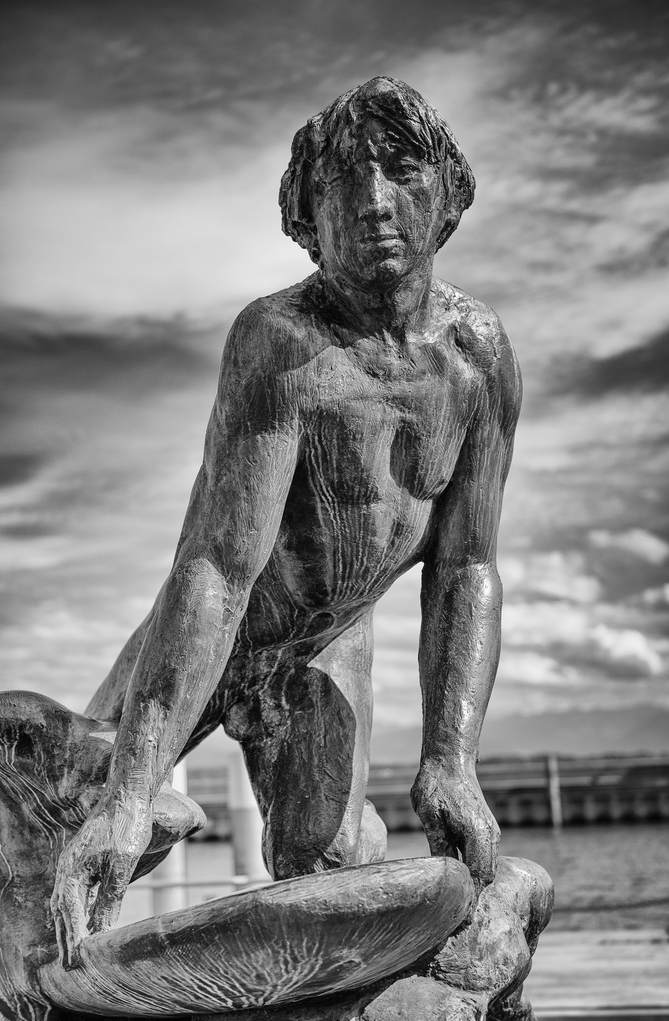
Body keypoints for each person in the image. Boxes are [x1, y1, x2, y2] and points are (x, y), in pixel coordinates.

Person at [52, 76, 522, 968]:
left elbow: (465, 568)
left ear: (449, 195)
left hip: (327, 642)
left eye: (402, 168)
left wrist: (450, 761)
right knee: (74, 814)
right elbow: (218, 572)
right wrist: (129, 787)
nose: (375, 202)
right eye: (344, 179)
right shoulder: (281, 340)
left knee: (331, 865)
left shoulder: (476, 358)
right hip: (211, 636)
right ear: (306, 213)